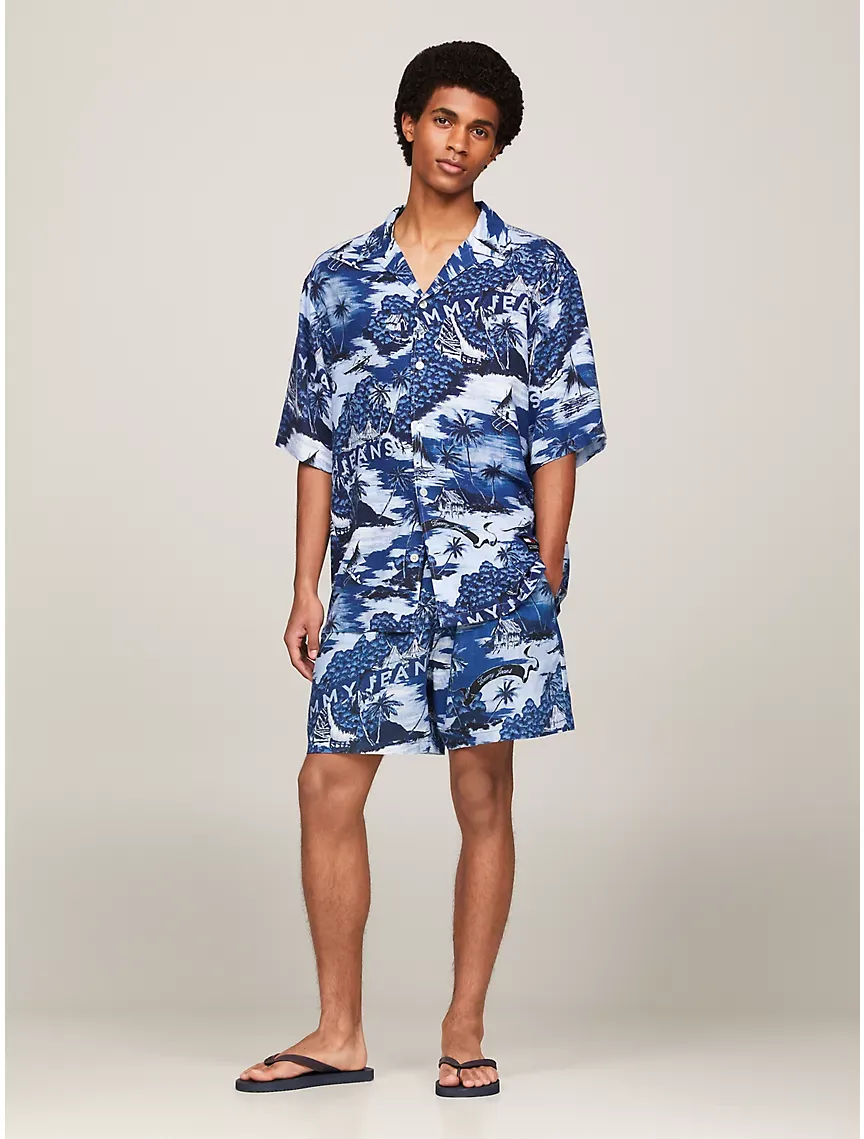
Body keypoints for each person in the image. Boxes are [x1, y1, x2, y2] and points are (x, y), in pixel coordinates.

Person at [236, 39, 608, 1099]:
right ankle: (339, 1032)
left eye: (481, 130)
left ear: (495, 148)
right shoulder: (338, 280)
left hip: (496, 575)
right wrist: (306, 584)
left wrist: (542, 572)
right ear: (409, 123)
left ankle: (463, 1026)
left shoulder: (536, 271)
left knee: (482, 790)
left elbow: (560, 433)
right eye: (445, 119)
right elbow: (316, 441)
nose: (459, 143)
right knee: (326, 782)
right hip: (374, 576)